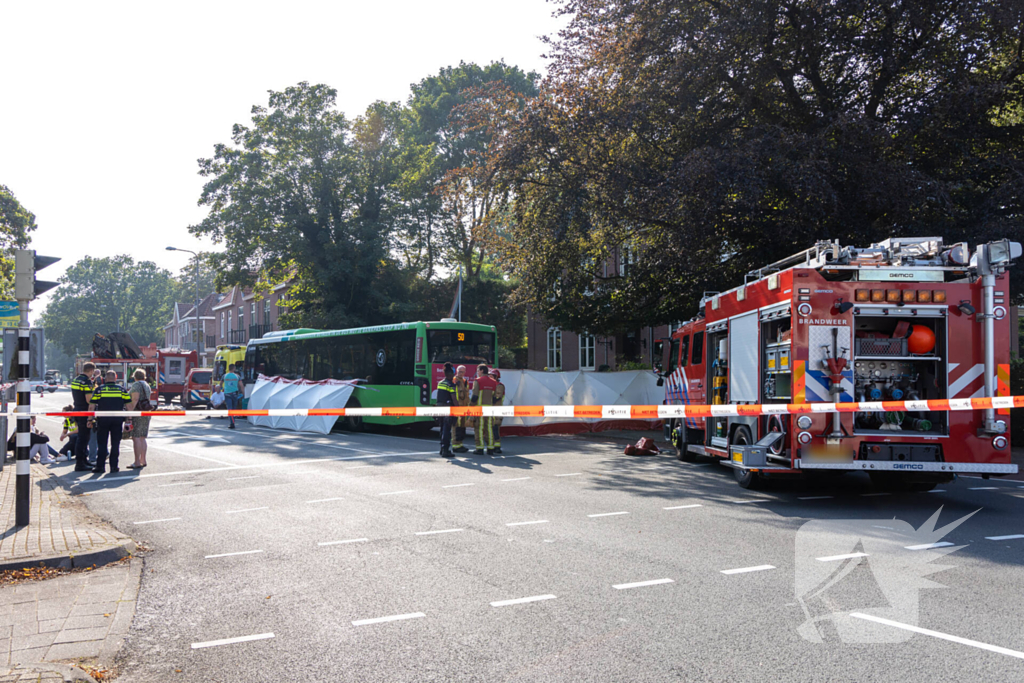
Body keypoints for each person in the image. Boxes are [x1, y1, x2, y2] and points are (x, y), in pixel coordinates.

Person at [88, 371, 131, 474]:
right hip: (117, 420)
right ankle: (114, 466)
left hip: (103, 420)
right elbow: (129, 407)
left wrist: (89, 420)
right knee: (115, 444)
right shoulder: (122, 390)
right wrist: (129, 420)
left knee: (102, 443)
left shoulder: (99, 390)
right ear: (115, 378)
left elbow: (91, 406)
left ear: (105, 378)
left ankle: (100, 467)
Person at [70, 362, 96, 472]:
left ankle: (83, 460)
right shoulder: (87, 382)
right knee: (84, 438)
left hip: (76, 409)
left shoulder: (76, 380)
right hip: (84, 411)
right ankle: (80, 463)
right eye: (92, 372)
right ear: (90, 371)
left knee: (82, 437)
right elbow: (89, 400)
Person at [127, 369, 152, 469]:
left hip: (137, 413)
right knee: (142, 437)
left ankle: (137, 461)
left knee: (136, 437)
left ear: (135, 377)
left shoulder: (136, 385)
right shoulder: (146, 385)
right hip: (146, 412)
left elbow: (135, 399)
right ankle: (143, 459)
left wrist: (130, 412)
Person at [471, 364, 498, 455]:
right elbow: (495, 397)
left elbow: (475, 396)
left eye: (478, 370)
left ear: (482, 370)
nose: (477, 372)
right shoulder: (494, 382)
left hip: (479, 409)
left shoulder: (477, 381)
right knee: (489, 428)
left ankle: (479, 448)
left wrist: (470, 406)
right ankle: (490, 448)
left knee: (479, 428)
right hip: (490, 409)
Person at [435, 363, 457, 458]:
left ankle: (441, 449)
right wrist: (460, 409)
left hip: (439, 408)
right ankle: (446, 450)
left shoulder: (440, 383)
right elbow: (454, 399)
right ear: (450, 374)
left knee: (442, 428)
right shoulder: (451, 384)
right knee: (447, 430)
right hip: (448, 409)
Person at [451, 365, 469, 453]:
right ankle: (455, 445)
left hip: (464, 408)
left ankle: (460, 444)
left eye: (463, 372)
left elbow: (467, 395)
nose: (461, 373)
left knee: (462, 427)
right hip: (456, 407)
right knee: (456, 426)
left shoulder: (465, 381)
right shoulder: (454, 380)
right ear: (456, 371)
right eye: (459, 372)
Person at [491, 368, 506, 455]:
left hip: (497, 410)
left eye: (492, 375)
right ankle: (493, 446)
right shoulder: (493, 384)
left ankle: (497, 447)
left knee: (495, 428)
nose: (490, 377)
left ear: (496, 376)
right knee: (492, 428)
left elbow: (497, 397)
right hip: (493, 410)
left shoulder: (499, 385)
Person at [222, 364, 241, 429]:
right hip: (235, 394)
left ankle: (232, 423)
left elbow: (220, 383)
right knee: (234, 408)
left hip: (227, 394)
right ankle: (233, 422)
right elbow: (241, 385)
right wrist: (244, 393)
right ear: (234, 369)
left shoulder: (224, 376)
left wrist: (222, 389)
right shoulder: (237, 376)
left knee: (229, 409)